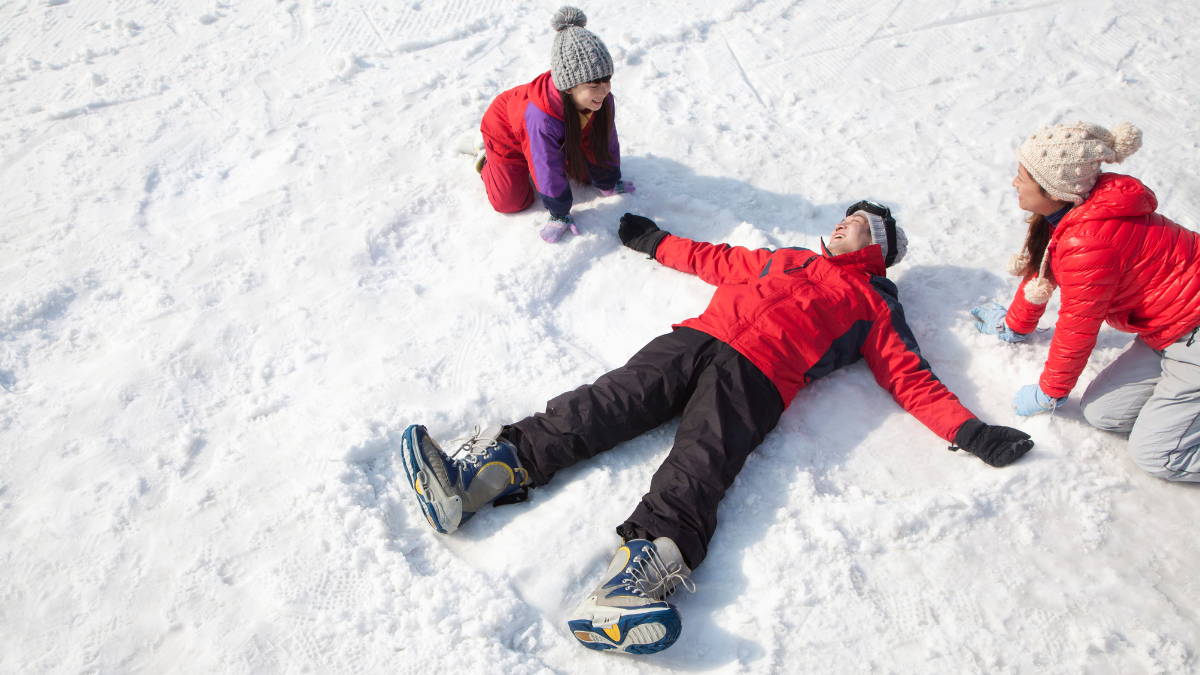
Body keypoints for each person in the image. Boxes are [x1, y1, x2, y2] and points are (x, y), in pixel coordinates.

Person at [403, 204, 1035, 655]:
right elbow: (715, 259)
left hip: (758, 379)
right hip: (692, 341)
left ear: (878, 248)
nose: (846, 223)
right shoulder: (785, 259)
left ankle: (635, 583)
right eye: (847, 216)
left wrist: (971, 431)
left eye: (863, 224)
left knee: (702, 464)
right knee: (604, 403)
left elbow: (910, 377)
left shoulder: (874, 304)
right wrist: (654, 240)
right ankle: (473, 482)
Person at [972, 121, 1200, 481]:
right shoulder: (1076, 212)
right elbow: (1044, 268)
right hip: (1167, 331)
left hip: (1192, 333)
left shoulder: (1088, 242)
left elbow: (1078, 325)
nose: (1014, 183)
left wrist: (1050, 392)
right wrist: (1014, 324)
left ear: (1053, 189)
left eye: (1022, 177)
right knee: (1104, 413)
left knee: (1160, 457)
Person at [470, 6, 633, 243]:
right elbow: (544, 162)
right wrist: (560, 212)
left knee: (587, 175)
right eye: (594, 84)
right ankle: (484, 155)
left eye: (607, 80)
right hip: (506, 132)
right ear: (569, 86)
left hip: (549, 132)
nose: (604, 90)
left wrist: (608, 181)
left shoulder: (600, 99)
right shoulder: (541, 118)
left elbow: (604, 140)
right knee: (511, 202)